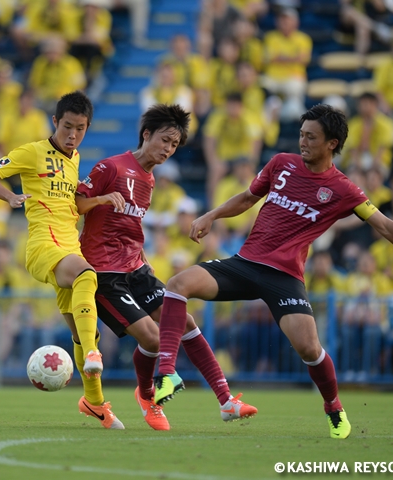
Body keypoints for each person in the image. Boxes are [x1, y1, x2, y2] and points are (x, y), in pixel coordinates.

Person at [153, 104, 393, 440]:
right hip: (245, 264)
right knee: (177, 284)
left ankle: (333, 406)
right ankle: (166, 372)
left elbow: (385, 226)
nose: (302, 141)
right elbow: (248, 198)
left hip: (285, 278)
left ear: (332, 143)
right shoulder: (281, 163)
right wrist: (211, 215)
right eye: (302, 134)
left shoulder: (344, 189)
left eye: (311, 137)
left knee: (309, 349)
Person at [75, 104, 257, 431]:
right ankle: (146, 396)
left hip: (136, 268)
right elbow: (77, 203)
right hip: (104, 273)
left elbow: (128, 228)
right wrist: (101, 200)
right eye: (165, 140)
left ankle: (227, 400)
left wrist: (140, 258)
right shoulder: (110, 167)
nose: (168, 149)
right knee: (154, 339)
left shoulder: (149, 179)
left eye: (174, 145)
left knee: (183, 320)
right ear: (147, 134)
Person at [0, 91, 123, 429]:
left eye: (80, 129)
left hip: (69, 246)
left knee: (79, 328)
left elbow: (72, 206)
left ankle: (95, 403)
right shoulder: (31, 152)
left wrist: (100, 199)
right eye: (67, 127)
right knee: (88, 277)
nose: (72, 135)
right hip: (44, 246)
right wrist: (10, 196)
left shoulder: (74, 159)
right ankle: (92, 354)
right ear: (55, 122)